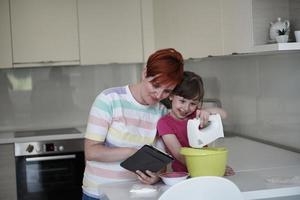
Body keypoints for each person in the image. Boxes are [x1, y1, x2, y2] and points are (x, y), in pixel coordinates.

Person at [82, 48, 185, 200]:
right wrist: (131, 152)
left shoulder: (162, 113)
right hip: (99, 194)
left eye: (167, 91)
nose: (158, 95)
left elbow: (161, 162)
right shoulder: (109, 99)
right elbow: (91, 152)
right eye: (155, 85)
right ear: (144, 73)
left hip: (137, 194)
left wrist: (155, 177)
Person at [157, 71, 233, 175]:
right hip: (183, 174)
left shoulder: (196, 115)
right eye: (182, 101)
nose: (186, 108)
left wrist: (208, 112)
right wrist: (210, 167)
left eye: (193, 103)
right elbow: (179, 154)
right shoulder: (164, 123)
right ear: (171, 96)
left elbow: (223, 114)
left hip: (205, 167)